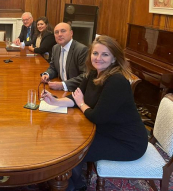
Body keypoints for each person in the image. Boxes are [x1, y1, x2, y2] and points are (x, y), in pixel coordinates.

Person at [41, 35, 148, 190]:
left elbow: (97, 116)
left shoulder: (116, 81)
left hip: (126, 142)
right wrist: (55, 101)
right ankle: (72, 182)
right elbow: (76, 96)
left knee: (70, 151)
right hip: (106, 131)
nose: (98, 58)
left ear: (114, 58)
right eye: (95, 53)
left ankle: (71, 186)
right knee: (65, 138)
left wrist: (82, 103)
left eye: (105, 54)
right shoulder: (93, 73)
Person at [41, 22, 87, 91]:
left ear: (71, 33)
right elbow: (53, 67)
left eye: (63, 31)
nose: (59, 34)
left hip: (75, 91)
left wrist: (63, 85)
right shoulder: (55, 48)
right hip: (60, 89)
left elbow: (85, 76)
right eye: (56, 32)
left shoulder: (81, 50)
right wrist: (47, 74)